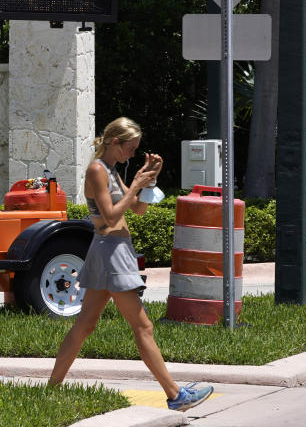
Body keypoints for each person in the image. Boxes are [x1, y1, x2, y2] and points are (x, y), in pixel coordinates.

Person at [47, 117, 214, 412]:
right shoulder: (97, 170)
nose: (133, 154)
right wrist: (135, 183)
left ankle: (50, 390)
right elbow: (111, 216)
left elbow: (137, 209)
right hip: (111, 253)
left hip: (110, 251)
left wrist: (148, 179)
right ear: (115, 142)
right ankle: (175, 395)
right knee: (143, 326)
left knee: (85, 326)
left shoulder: (111, 170)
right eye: (131, 148)